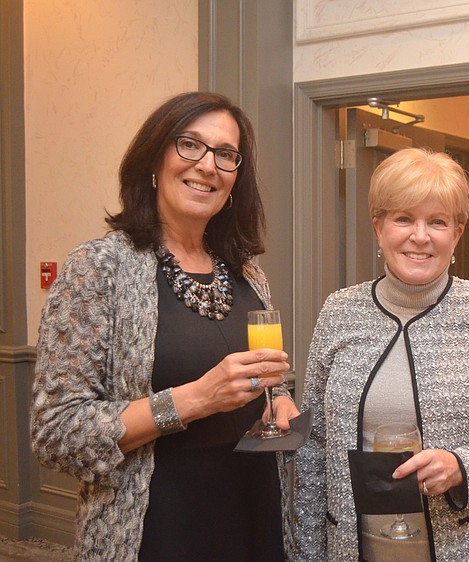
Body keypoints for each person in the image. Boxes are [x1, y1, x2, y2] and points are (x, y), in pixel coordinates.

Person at [30, 91, 300, 561]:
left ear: (236, 179)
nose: (207, 165)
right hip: (159, 529)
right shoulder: (99, 268)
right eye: (189, 145)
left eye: (225, 154)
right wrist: (193, 399)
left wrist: (279, 401)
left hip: (256, 516)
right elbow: (55, 432)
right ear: (154, 160)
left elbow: (260, 384)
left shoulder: (247, 271)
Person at [293, 147, 469, 561]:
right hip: (355, 548)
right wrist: (306, 552)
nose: (420, 236)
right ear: (378, 227)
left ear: (457, 233)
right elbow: (314, 447)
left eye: (437, 222)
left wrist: (462, 466)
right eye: (403, 218)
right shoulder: (339, 312)